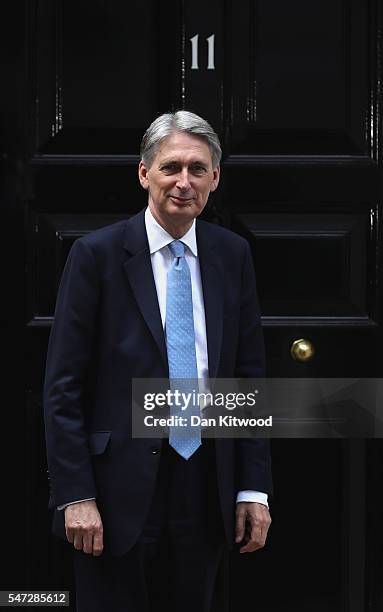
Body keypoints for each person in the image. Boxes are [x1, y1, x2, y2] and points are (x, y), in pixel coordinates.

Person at [44, 110, 272, 612]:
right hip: (113, 491)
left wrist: (253, 487)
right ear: (144, 173)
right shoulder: (95, 256)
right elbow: (63, 386)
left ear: (215, 178)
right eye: (171, 167)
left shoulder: (232, 255)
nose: (183, 182)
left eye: (197, 169)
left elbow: (247, 376)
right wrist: (74, 495)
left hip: (207, 485)